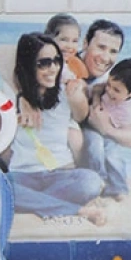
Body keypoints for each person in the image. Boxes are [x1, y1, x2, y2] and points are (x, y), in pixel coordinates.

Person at [5, 33, 106, 225]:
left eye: (57, 61)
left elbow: (81, 115)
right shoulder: (11, 95)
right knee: (2, 184)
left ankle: (36, 203)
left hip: (60, 174)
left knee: (91, 181)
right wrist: (21, 97)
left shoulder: (67, 92)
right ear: (28, 65)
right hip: (22, 176)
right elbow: (2, 53)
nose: (53, 68)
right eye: (43, 63)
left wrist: (78, 93)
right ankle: (76, 209)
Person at [86, 58, 131, 200]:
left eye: (116, 90)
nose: (110, 91)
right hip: (92, 127)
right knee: (95, 146)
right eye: (109, 85)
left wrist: (106, 128)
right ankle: (99, 179)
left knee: (113, 155)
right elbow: (96, 90)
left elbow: (130, 139)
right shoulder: (110, 86)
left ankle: (118, 187)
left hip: (108, 131)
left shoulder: (126, 111)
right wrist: (96, 101)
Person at [43, 14, 88, 161]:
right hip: (46, 114)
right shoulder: (44, 62)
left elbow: (82, 83)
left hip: (65, 115)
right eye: (64, 39)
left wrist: (79, 84)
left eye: (75, 41)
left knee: (76, 138)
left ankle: (78, 165)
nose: (70, 46)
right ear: (49, 38)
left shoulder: (74, 64)